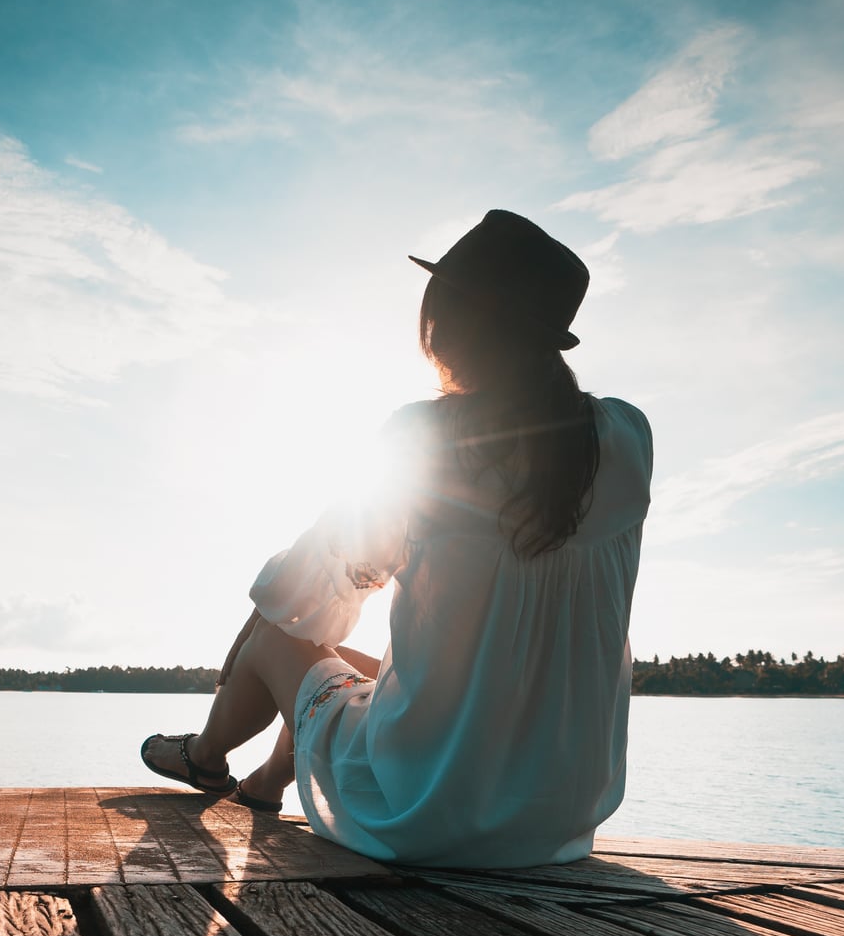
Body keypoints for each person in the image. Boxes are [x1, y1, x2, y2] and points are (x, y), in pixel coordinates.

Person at [141, 210, 652, 868]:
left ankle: (205, 759)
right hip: (558, 827)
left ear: (449, 324)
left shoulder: (424, 435)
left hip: (426, 814)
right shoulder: (628, 437)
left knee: (278, 632)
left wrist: (267, 618)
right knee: (369, 672)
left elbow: (300, 599)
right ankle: (266, 785)